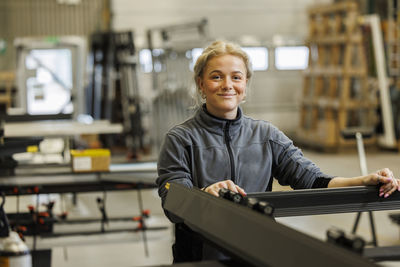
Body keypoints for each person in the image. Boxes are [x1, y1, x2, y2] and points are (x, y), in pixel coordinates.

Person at [156, 40, 400, 262]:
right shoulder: (180, 139)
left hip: (257, 252)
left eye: (236, 77)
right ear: (201, 84)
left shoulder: (266, 135)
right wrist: (203, 195)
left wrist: (364, 180)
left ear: (246, 83)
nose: (227, 85)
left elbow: (313, 180)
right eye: (216, 77)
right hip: (202, 256)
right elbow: (173, 203)